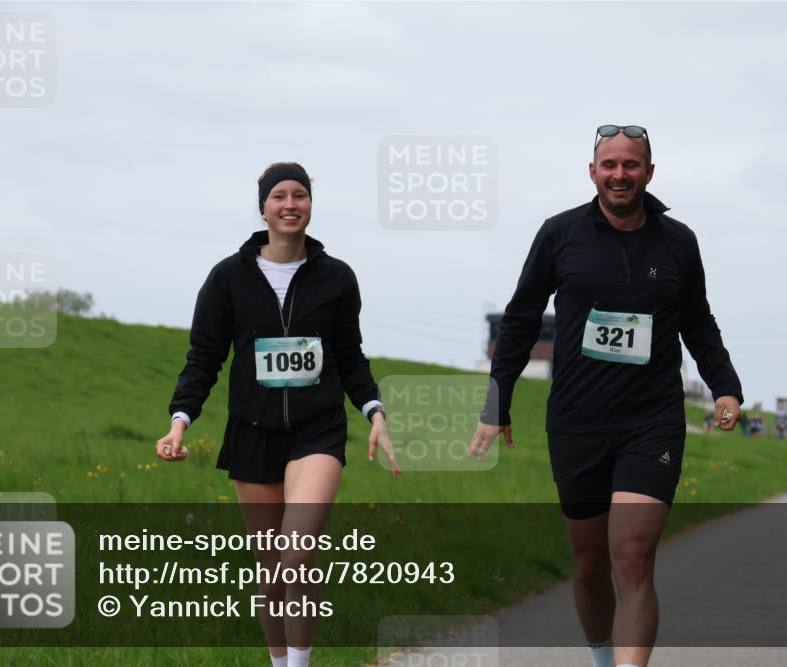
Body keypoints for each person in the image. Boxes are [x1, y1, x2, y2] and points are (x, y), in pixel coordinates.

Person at [467, 125, 742, 667]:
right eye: (610, 164)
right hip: (577, 420)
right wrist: (496, 402)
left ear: (649, 172)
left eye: (631, 165)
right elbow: (521, 320)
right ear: (592, 172)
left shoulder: (679, 241)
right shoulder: (559, 234)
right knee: (590, 562)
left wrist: (725, 387)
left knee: (633, 556)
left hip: (652, 420)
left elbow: (699, 322)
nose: (620, 174)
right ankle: (601, 658)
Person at [156, 162, 400, 667]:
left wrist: (374, 410)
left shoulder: (337, 277)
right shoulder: (227, 278)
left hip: (318, 430)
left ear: (311, 204)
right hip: (252, 431)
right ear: (263, 207)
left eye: (300, 195)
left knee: (298, 552)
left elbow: (350, 355)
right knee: (270, 569)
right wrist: (180, 421)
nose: (290, 204)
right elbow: (204, 357)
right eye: (279, 196)